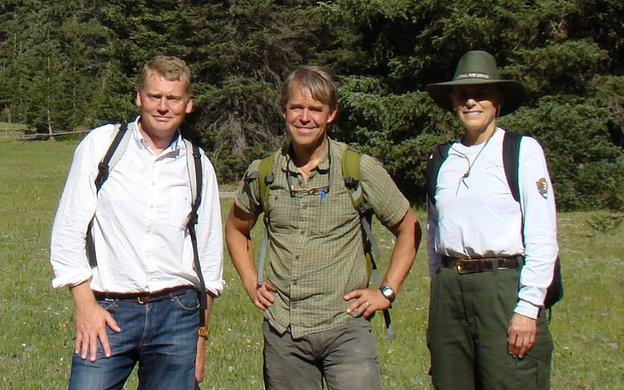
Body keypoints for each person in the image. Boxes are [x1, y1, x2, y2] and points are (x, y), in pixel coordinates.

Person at [225, 66, 420, 389]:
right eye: (297, 107)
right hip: (284, 331)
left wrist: (385, 292)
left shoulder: (357, 169)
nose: (305, 118)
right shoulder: (264, 173)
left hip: (345, 327)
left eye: (316, 109)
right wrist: (250, 282)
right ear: (283, 110)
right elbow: (236, 228)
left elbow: (409, 227)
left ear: (332, 114)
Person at [50, 55, 225, 389]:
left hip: (178, 315)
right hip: (108, 311)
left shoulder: (198, 164)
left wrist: (200, 338)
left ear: (188, 105)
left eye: (173, 98)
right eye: (154, 96)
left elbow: (209, 259)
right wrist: (85, 306)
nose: (163, 106)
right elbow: (68, 229)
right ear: (138, 98)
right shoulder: (103, 146)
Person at [424, 50, 558, 389]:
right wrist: (438, 284)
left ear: (497, 100)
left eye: (481, 94)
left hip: (502, 286)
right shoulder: (441, 158)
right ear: (453, 101)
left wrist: (528, 309)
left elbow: (542, 235)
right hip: (450, 289)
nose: (471, 101)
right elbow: (434, 230)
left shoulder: (521, 151)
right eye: (462, 95)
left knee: (511, 380)